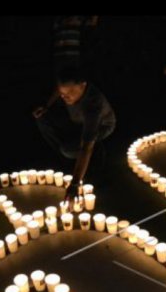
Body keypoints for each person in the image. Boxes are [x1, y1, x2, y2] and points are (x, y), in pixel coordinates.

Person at [32, 66, 116, 206]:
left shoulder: (93, 105)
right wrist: (46, 106)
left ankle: (95, 151)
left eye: (69, 92)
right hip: (78, 122)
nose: (65, 97)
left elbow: (85, 148)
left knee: (69, 150)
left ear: (83, 85)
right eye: (63, 93)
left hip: (101, 127)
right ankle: (64, 154)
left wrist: (75, 184)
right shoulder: (67, 91)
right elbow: (59, 90)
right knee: (41, 117)